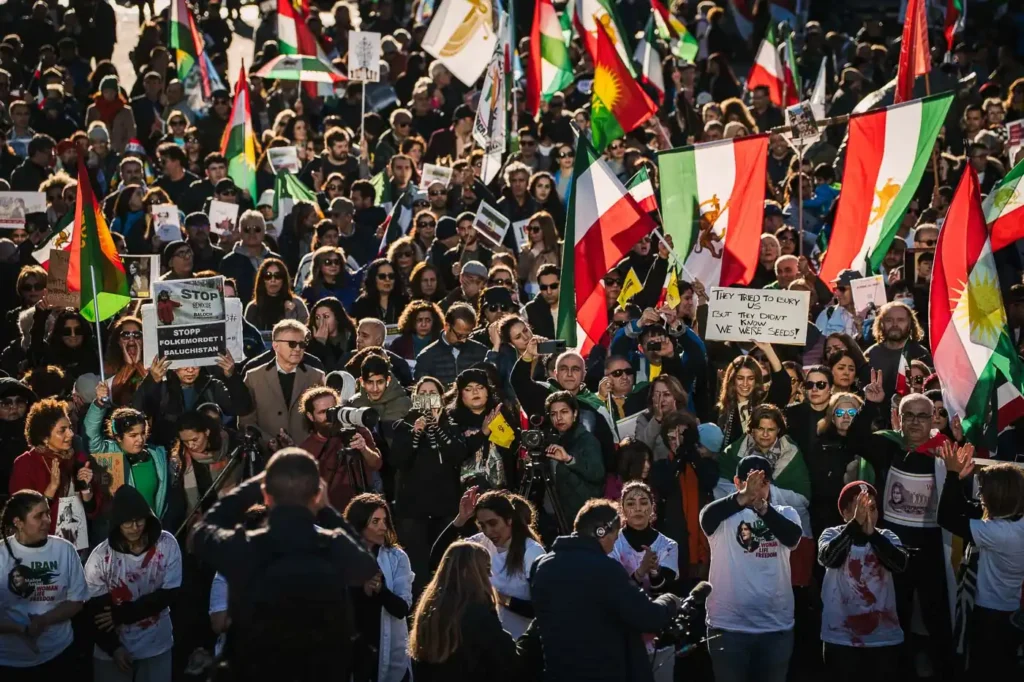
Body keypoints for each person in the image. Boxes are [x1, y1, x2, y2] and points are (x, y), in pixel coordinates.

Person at [191, 448, 379, 682]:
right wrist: (328, 511)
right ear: (317, 495)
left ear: (266, 496)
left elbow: (200, 534)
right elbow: (367, 565)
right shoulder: (333, 547)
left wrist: (249, 489)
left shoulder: (244, 548)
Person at [529, 498, 681, 682]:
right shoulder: (605, 569)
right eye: (615, 537)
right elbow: (647, 616)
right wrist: (670, 601)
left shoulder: (541, 565)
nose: (612, 547)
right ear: (601, 531)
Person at [936, 442, 1024, 677]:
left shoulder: (1000, 533)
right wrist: (959, 478)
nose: (979, 495)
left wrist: (953, 474)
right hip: (1011, 611)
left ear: (997, 496)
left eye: (982, 489)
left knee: (982, 670)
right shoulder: (1015, 522)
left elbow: (946, 516)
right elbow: (967, 508)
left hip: (990, 616)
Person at [84, 485, 182, 682]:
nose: (135, 527)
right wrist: (114, 648)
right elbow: (96, 612)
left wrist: (122, 613)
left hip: (156, 644)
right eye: (127, 522)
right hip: (113, 650)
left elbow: (170, 593)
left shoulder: (167, 544)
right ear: (116, 524)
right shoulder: (100, 558)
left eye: (139, 520)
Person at [818, 481, 907, 682]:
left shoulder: (887, 536)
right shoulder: (831, 534)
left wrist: (872, 535)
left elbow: (900, 565)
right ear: (845, 513)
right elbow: (829, 558)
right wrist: (854, 528)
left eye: (873, 508)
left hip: (882, 639)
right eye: (860, 508)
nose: (868, 513)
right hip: (840, 639)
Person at [432, 487, 545, 638]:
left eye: (493, 523)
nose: (488, 531)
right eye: (482, 525)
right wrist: (460, 519)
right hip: (489, 642)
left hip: (520, 643)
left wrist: (500, 598)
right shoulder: (481, 542)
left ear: (509, 519)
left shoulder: (532, 552)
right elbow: (437, 560)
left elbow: (542, 610)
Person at [391, 377, 467, 595]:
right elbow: (398, 461)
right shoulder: (403, 425)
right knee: (417, 563)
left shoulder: (452, 424)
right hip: (414, 507)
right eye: (422, 394)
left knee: (445, 559)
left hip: (444, 504)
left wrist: (437, 425)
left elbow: (458, 454)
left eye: (432, 393)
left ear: (441, 398)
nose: (427, 398)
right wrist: (416, 432)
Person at [0, 489, 87, 677]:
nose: (47, 520)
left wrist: (45, 620)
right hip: (10, 660)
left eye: (47, 513)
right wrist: (20, 629)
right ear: (18, 523)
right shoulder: (1, 555)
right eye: (39, 516)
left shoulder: (65, 550)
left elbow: (77, 601)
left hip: (58, 653)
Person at [408, 540, 519, 681]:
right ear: (469, 572)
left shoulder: (429, 609)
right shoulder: (477, 614)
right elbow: (506, 660)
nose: (490, 575)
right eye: (486, 568)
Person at [8, 398, 101, 540]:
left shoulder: (79, 459)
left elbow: (93, 512)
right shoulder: (26, 463)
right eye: (62, 430)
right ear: (44, 437)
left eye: (70, 428)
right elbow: (22, 515)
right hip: (41, 545)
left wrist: (86, 489)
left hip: (77, 544)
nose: (70, 434)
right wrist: (51, 489)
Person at [343, 494, 413, 682]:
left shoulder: (396, 558)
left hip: (389, 652)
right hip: (354, 654)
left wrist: (380, 590)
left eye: (384, 521)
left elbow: (402, 609)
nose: (383, 527)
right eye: (375, 521)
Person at [86, 382, 170, 521]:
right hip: (122, 531)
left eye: (143, 433)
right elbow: (90, 434)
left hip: (151, 529)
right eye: (133, 435)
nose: (140, 439)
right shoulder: (108, 453)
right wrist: (99, 404)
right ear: (118, 437)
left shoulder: (157, 455)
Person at [238, 320, 326, 449]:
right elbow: (246, 421)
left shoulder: (316, 376)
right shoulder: (253, 376)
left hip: (307, 453)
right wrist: (268, 442)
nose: (297, 348)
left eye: (302, 344)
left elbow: (323, 418)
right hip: (266, 456)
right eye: (292, 344)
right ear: (275, 345)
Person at [298, 385, 382, 512]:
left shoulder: (359, 432)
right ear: (310, 416)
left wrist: (363, 448)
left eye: (332, 410)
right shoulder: (306, 448)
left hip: (363, 508)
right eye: (322, 412)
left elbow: (376, 464)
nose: (329, 417)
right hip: (330, 512)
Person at [413, 303, 488, 387]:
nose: (463, 340)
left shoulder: (481, 352)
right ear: (447, 326)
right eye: (460, 335)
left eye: (467, 335)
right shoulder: (426, 357)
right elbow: (422, 396)